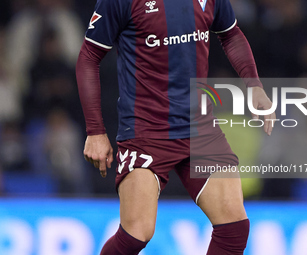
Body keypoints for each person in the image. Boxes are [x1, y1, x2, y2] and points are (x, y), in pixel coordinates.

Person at [76, 0, 276, 254]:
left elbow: (231, 33)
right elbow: (89, 56)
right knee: (136, 235)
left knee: (234, 227)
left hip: (199, 126)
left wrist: (254, 85)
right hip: (146, 130)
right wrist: (95, 131)